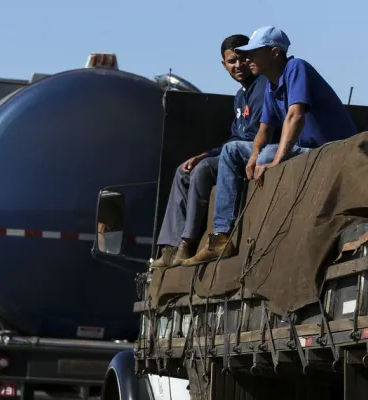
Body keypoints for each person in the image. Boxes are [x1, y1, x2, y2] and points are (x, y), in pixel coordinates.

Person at [183, 26, 357, 266]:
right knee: (233, 150)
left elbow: (295, 116)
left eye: (253, 52)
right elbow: (264, 130)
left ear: (274, 52)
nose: (247, 58)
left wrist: (274, 161)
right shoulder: (271, 85)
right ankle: (222, 236)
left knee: (268, 155)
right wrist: (253, 156)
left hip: (328, 149)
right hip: (303, 149)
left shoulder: (296, 68)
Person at [152, 34, 269, 268]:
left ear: (251, 58)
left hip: (257, 151)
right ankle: (169, 246)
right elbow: (235, 137)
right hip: (234, 150)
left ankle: (189, 241)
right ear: (223, 64)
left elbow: (257, 134)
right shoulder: (240, 97)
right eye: (231, 61)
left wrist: (208, 160)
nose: (238, 65)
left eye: (242, 59)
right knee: (184, 170)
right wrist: (204, 154)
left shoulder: (264, 87)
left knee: (203, 170)